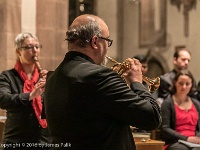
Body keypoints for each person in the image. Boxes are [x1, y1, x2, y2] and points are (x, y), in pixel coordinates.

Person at [44, 14, 161, 150]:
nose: (107, 48)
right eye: (107, 41)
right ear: (95, 42)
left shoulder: (53, 78)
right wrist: (137, 82)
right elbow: (152, 117)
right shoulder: (99, 76)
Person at [0, 32, 52, 149]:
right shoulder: (7, 76)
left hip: (43, 141)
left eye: (37, 47)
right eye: (29, 47)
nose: (35, 50)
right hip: (16, 140)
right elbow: (3, 100)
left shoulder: (44, 77)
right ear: (18, 51)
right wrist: (30, 95)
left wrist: (53, 84)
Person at [161, 69, 200, 150]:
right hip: (175, 141)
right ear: (175, 83)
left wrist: (197, 138)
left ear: (192, 84)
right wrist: (186, 139)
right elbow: (165, 128)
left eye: (187, 84)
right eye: (181, 83)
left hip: (195, 141)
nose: (184, 87)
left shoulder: (196, 103)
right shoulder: (167, 103)